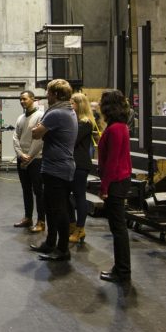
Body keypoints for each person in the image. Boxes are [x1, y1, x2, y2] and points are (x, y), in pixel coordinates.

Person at [29, 78, 78, 262]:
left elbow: (35, 133)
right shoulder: (66, 110)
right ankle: (50, 243)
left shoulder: (56, 113)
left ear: (56, 95)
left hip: (57, 169)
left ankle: (63, 249)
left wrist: (40, 127)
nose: (46, 95)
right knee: (51, 208)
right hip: (57, 167)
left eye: (48, 92)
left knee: (59, 210)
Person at [97, 89, 133, 283]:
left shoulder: (117, 128)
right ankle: (120, 268)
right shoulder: (117, 126)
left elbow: (112, 162)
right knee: (117, 228)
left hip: (116, 181)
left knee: (118, 228)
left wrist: (104, 188)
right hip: (118, 179)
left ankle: (123, 271)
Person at [12, 90, 46, 232]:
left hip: (36, 159)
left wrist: (29, 157)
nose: (22, 101)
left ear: (33, 99)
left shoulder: (40, 116)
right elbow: (15, 137)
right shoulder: (20, 118)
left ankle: (41, 221)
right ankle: (28, 217)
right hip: (23, 158)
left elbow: (39, 140)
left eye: (25, 99)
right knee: (26, 190)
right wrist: (20, 155)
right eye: (20, 99)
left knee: (38, 191)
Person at [68, 93, 98, 245]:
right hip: (70, 163)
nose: (69, 106)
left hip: (80, 164)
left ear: (79, 105)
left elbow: (71, 140)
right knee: (67, 195)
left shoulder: (85, 122)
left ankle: (80, 228)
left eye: (72, 103)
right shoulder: (74, 121)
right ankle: (72, 225)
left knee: (79, 196)